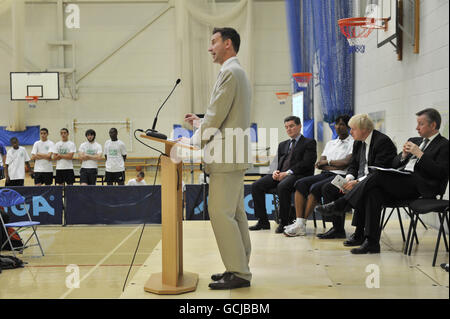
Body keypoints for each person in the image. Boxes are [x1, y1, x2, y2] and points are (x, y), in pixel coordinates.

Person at [182, 27, 252, 290]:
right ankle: (240, 266)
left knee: (221, 214)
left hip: (225, 156)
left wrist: (191, 142)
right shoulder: (238, 72)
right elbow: (222, 116)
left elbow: (215, 116)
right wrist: (200, 124)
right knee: (234, 213)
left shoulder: (229, 73)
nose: (210, 48)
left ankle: (239, 272)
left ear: (228, 43)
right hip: (233, 154)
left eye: (214, 42)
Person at [315, 113, 430, 254]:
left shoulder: (382, 141)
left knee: (370, 184)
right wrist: (350, 178)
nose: (350, 132)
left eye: (353, 129)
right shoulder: (358, 142)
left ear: (364, 129)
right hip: (375, 181)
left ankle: (345, 210)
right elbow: (354, 164)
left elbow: (384, 169)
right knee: (334, 188)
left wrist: (357, 182)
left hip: (395, 184)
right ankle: (367, 240)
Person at [284, 115, 353, 237]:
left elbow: (345, 164)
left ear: (348, 127)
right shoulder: (331, 143)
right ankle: (300, 223)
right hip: (326, 173)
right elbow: (320, 164)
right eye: (336, 124)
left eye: (342, 124)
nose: (338, 127)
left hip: (341, 175)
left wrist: (328, 163)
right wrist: (330, 164)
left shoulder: (353, 143)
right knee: (300, 183)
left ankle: (303, 225)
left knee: (316, 187)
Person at [249, 116, 317, 233]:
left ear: (299, 126)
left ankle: (284, 222)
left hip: (299, 175)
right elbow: (276, 162)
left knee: (283, 186)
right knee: (256, 185)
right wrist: (274, 171)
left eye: (291, 126)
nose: (289, 129)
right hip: (280, 174)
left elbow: (307, 164)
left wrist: (287, 173)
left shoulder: (309, 142)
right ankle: (263, 221)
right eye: (286, 127)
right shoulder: (283, 144)